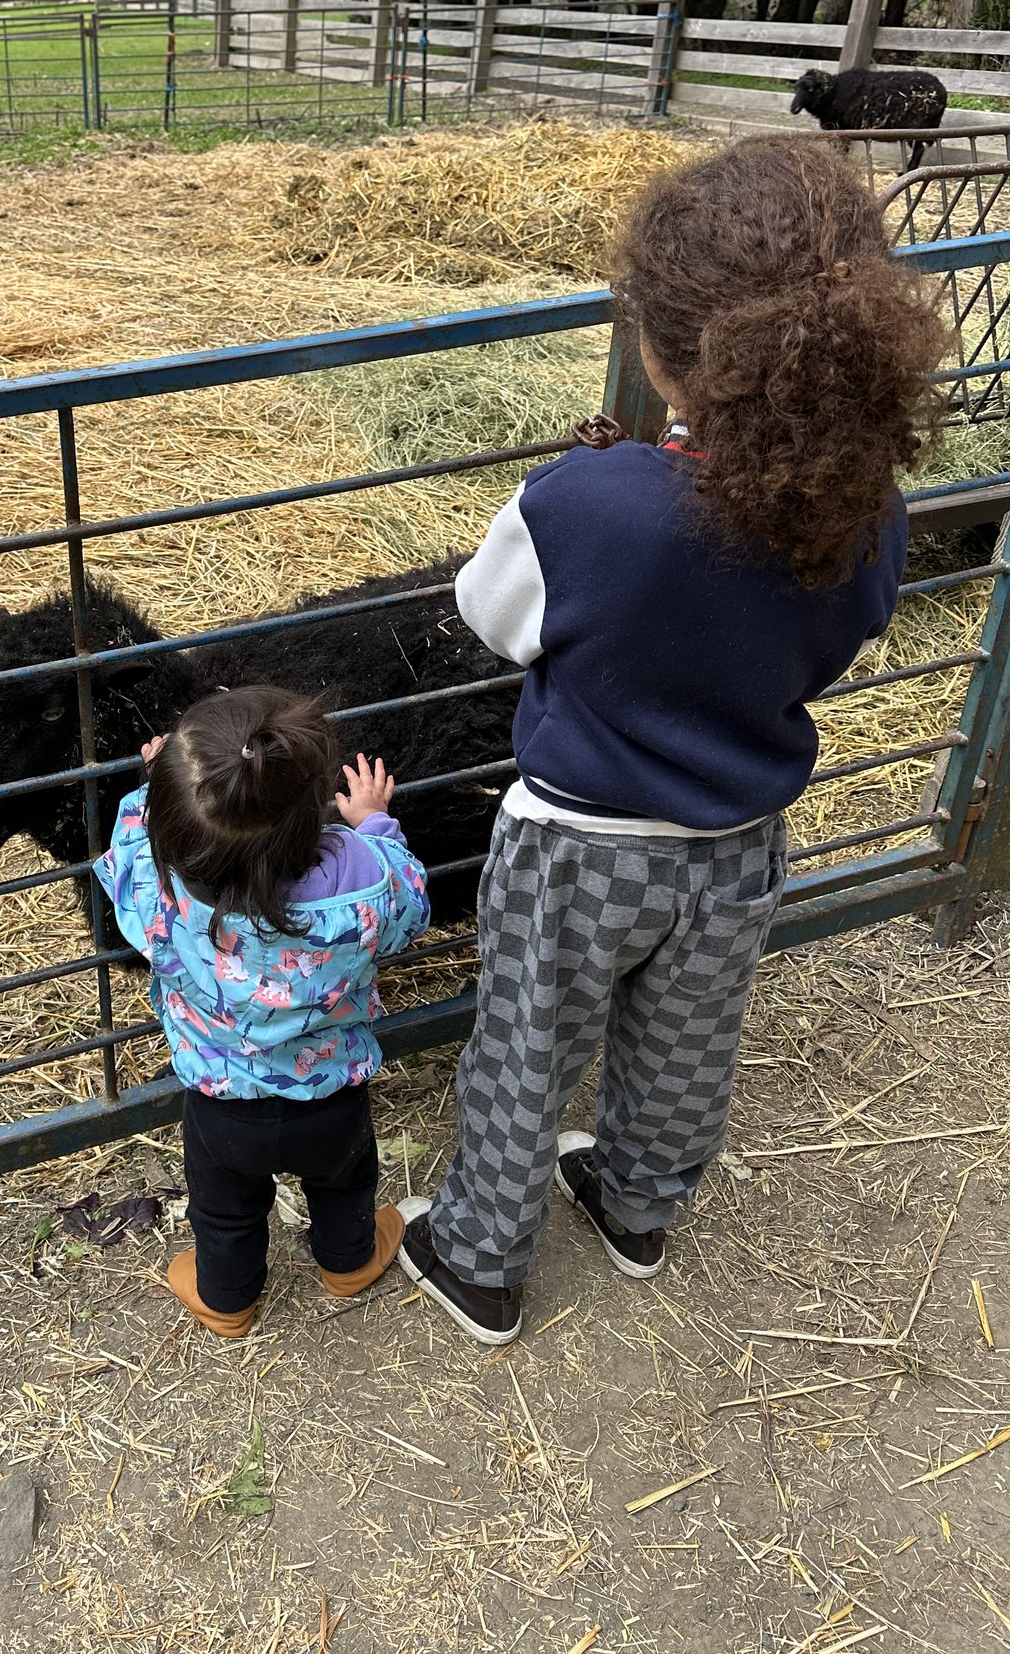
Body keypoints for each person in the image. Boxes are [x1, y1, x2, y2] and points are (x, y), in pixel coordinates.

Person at [398, 135, 948, 1346]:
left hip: (579, 847)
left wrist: (577, 492)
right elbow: (828, 641)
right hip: (738, 842)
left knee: (528, 1047)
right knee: (689, 1037)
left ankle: (480, 1259)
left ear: (661, 350)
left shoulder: (585, 502)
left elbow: (491, 623)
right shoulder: (873, 512)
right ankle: (638, 1207)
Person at [95, 685, 431, 1338]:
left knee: (223, 1212)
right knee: (345, 1184)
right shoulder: (358, 875)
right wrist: (373, 823)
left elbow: (131, 851)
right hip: (333, 1094)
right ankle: (348, 1262)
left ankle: (227, 1300)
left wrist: (165, 791)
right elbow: (410, 900)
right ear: (311, 807)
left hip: (221, 1105)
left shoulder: (161, 892)